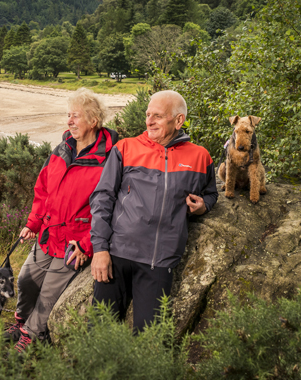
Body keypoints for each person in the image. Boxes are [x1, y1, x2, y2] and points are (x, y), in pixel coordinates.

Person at [89, 90, 218, 332]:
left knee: (148, 342)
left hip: (159, 261)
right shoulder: (125, 148)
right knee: (99, 334)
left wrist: (203, 207)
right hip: (117, 256)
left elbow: (211, 193)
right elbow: (102, 198)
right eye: (148, 114)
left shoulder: (200, 156)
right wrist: (100, 250)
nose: (149, 121)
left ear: (178, 120)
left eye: (157, 116)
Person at [6, 88, 119, 351]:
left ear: (93, 121)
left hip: (75, 244)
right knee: (26, 280)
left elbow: (110, 209)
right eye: (68, 115)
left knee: (48, 293)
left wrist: (87, 245)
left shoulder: (110, 158)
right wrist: (32, 223)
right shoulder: (62, 148)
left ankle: (32, 336)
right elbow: (42, 189)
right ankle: (22, 321)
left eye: (75, 116)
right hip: (48, 234)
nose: (69, 121)